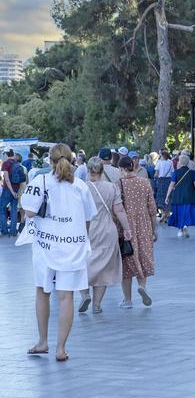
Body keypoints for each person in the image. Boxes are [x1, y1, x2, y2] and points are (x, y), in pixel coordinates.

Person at [19, 143, 97, 361]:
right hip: (73, 247)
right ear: (72, 161)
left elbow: (30, 212)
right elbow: (89, 218)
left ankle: (43, 341)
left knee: (42, 292)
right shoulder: (81, 186)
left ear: (50, 161)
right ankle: (61, 348)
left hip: (46, 246)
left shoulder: (40, 182)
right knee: (66, 297)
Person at [78, 157, 132, 314]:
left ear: (88, 171)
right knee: (102, 268)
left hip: (85, 230)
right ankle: (96, 305)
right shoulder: (112, 187)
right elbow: (119, 211)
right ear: (102, 171)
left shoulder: (81, 187)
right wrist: (127, 229)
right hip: (107, 231)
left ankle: (85, 294)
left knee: (82, 265)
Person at [118, 155, 157, 308]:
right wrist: (154, 230)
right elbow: (152, 209)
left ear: (121, 169)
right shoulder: (145, 183)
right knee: (143, 256)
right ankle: (142, 286)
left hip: (126, 226)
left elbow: (116, 209)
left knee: (127, 261)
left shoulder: (118, 184)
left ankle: (127, 300)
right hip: (144, 225)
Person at [166, 152, 195, 237]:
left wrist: (167, 196)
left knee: (179, 212)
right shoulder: (192, 173)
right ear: (188, 162)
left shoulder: (176, 173)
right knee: (187, 212)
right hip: (190, 196)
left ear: (180, 162)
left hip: (178, 196)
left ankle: (180, 230)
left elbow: (171, 185)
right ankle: (185, 227)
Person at [1, 149, 20, 237]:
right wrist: (15, 191)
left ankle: (5, 230)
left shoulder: (6, 163)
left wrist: (11, 191)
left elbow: (7, 179)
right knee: (14, 210)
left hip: (8, 190)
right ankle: (13, 232)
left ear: (6, 154)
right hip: (17, 189)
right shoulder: (17, 162)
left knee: (1, 208)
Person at [154, 150, 173, 221]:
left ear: (163, 156)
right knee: (168, 197)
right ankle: (167, 213)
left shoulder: (159, 162)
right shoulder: (170, 162)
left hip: (161, 180)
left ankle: (163, 213)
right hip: (168, 180)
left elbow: (156, 173)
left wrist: (154, 177)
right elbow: (172, 171)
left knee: (160, 197)